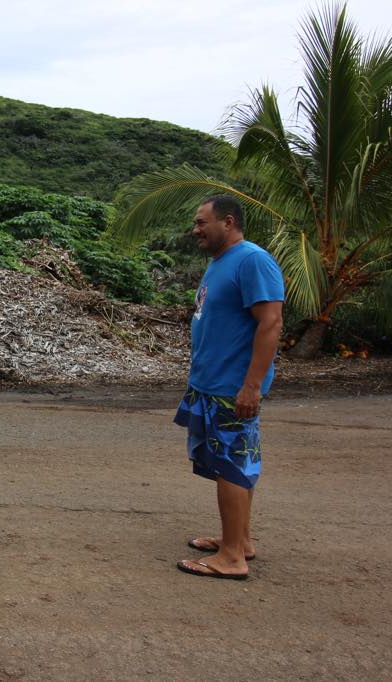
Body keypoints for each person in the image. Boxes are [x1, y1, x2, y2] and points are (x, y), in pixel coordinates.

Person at [174, 195, 284, 580]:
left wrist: (251, 386)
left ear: (229, 222)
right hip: (211, 383)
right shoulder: (221, 261)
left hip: (231, 386)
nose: (195, 230)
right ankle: (240, 540)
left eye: (201, 222)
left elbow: (271, 323)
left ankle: (232, 558)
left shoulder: (253, 260)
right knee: (233, 464)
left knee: (232, 467)